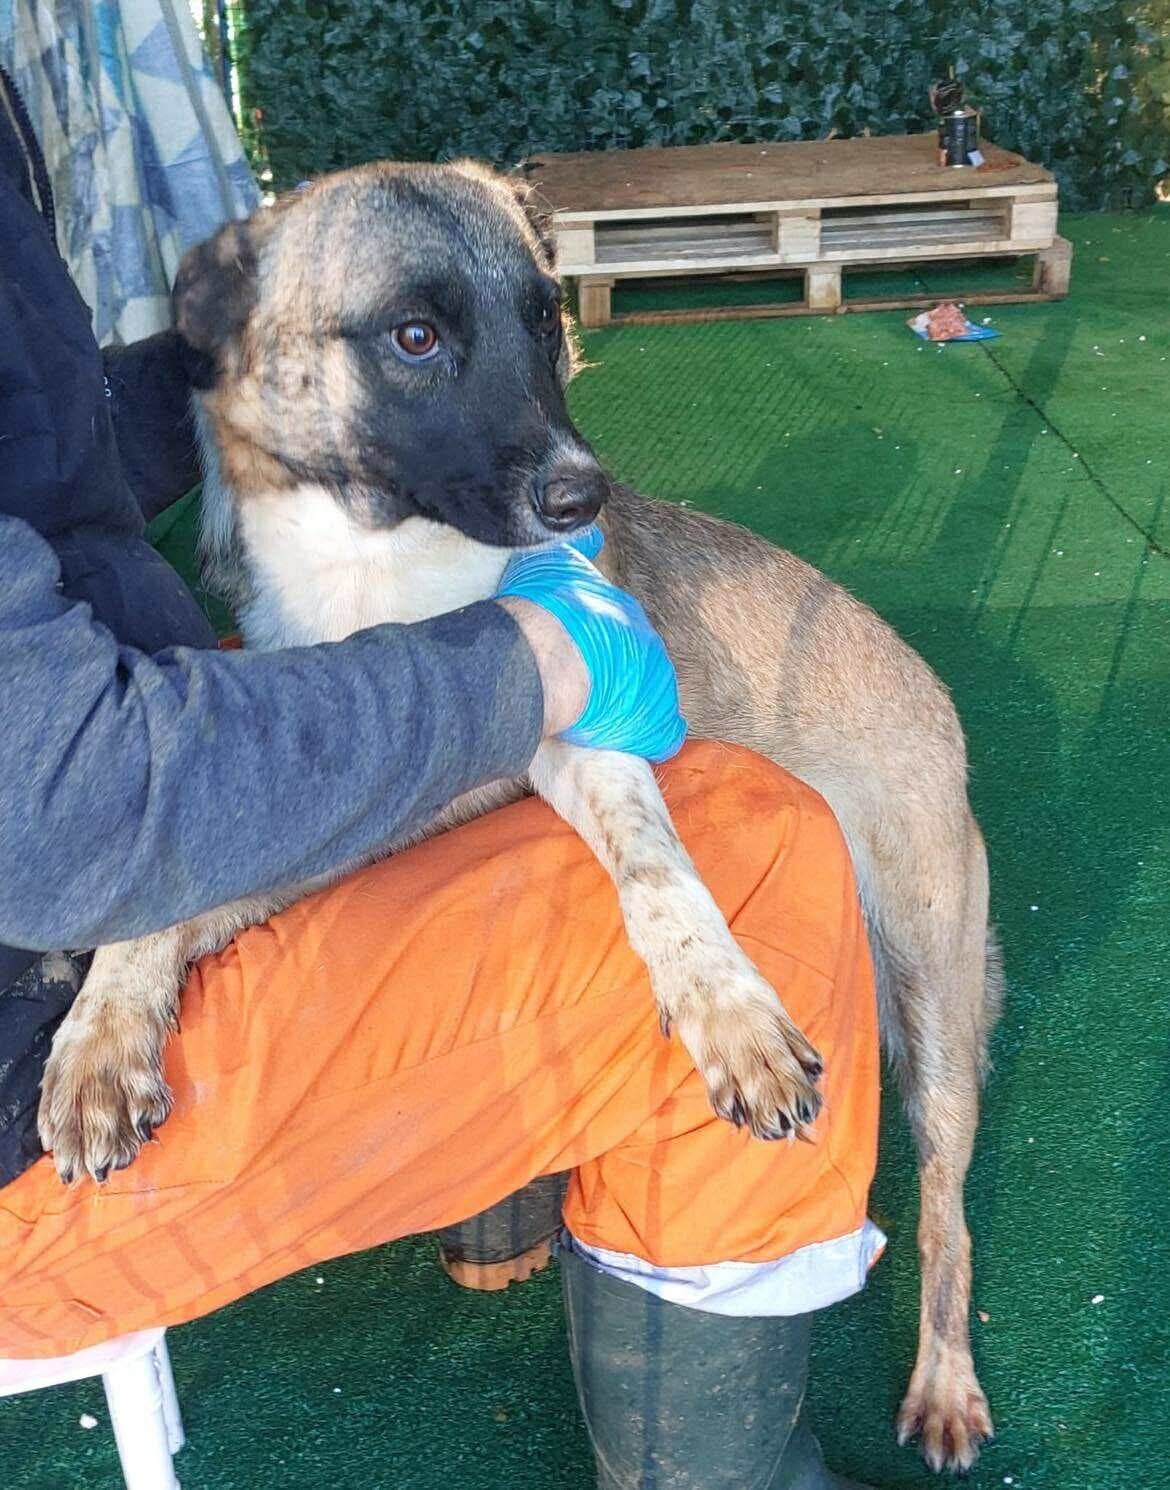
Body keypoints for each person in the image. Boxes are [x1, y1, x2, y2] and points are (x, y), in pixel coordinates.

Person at [0, 64, 880, 1489]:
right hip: (26, 1102)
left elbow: (40, 436)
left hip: (89, 793)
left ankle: (498, 1188)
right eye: (414, 334)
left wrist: (251, 346)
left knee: (438, 776)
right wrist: (530, 662)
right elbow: (67, 813)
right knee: (764, 849)